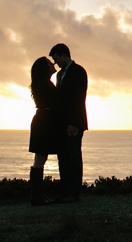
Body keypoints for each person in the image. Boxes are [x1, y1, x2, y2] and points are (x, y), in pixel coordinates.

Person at [49, 43, 88, 203]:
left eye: (56, 58)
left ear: (64, 54)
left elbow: (79, 99)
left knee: (73, 157)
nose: (55, 63)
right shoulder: (59, 75)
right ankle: (64, 190)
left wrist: (74, 123)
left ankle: (74, 192)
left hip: (74, 122)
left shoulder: (79, 71)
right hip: (61, 124)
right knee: (62, 158)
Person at [28, 56, 64, 206]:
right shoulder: (45, 84)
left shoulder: (41, 84)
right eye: (50, 64)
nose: (53, 64)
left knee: (40, 158)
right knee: (40, 159)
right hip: (44, 122)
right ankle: (36, 195)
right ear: (45, 69)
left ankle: (37, 194)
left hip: (42, 121)